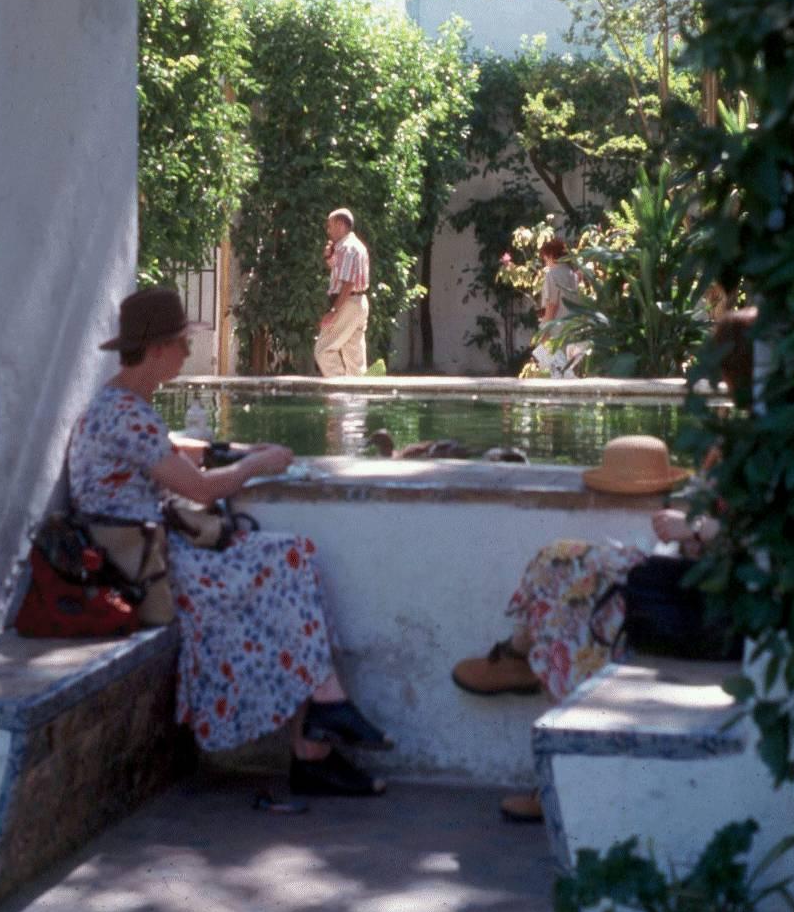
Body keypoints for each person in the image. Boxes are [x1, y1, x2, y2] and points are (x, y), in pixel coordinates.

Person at [69, 285, 392, 798]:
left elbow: (175, 449)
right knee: (282, 569)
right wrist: (254, 465)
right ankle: (320, 733)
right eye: (180, 343)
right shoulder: (124, 413)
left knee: (294, 556)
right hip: (144, 567)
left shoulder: (123, 403)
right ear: (156, 350)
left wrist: (236, 449)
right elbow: (195, 487)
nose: (186, 351)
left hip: (152, 550)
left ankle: (320, 733)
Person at [451, 440, 718, 823]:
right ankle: (520, 656)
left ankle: (555, 769)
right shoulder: (738, 447)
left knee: (585, 613)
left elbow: (758, 545)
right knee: (561, 561)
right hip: (686, 577)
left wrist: (695, 527)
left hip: (705, 604)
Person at [314, 208, 370, 377]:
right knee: (354, 357)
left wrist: (333, 311)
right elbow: (342, 273)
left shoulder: (347, 248)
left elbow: (347, 284)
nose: (328, 230)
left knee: (323, 350)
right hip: (359, 303)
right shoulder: (354, 246)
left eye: (330, 225)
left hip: (348, 302)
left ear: (340, 224)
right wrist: (329, 257)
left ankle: (340, 392)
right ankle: (357, 399)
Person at [531, 237, 584, 377]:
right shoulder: (572, 274)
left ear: (551, 256)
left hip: (556, 329)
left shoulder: (552, 275)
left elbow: (552, 305)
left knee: (555, 371)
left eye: (545, 259)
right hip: (572, 327)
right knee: (569, 370)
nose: (545, 263)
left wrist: (544, 331)